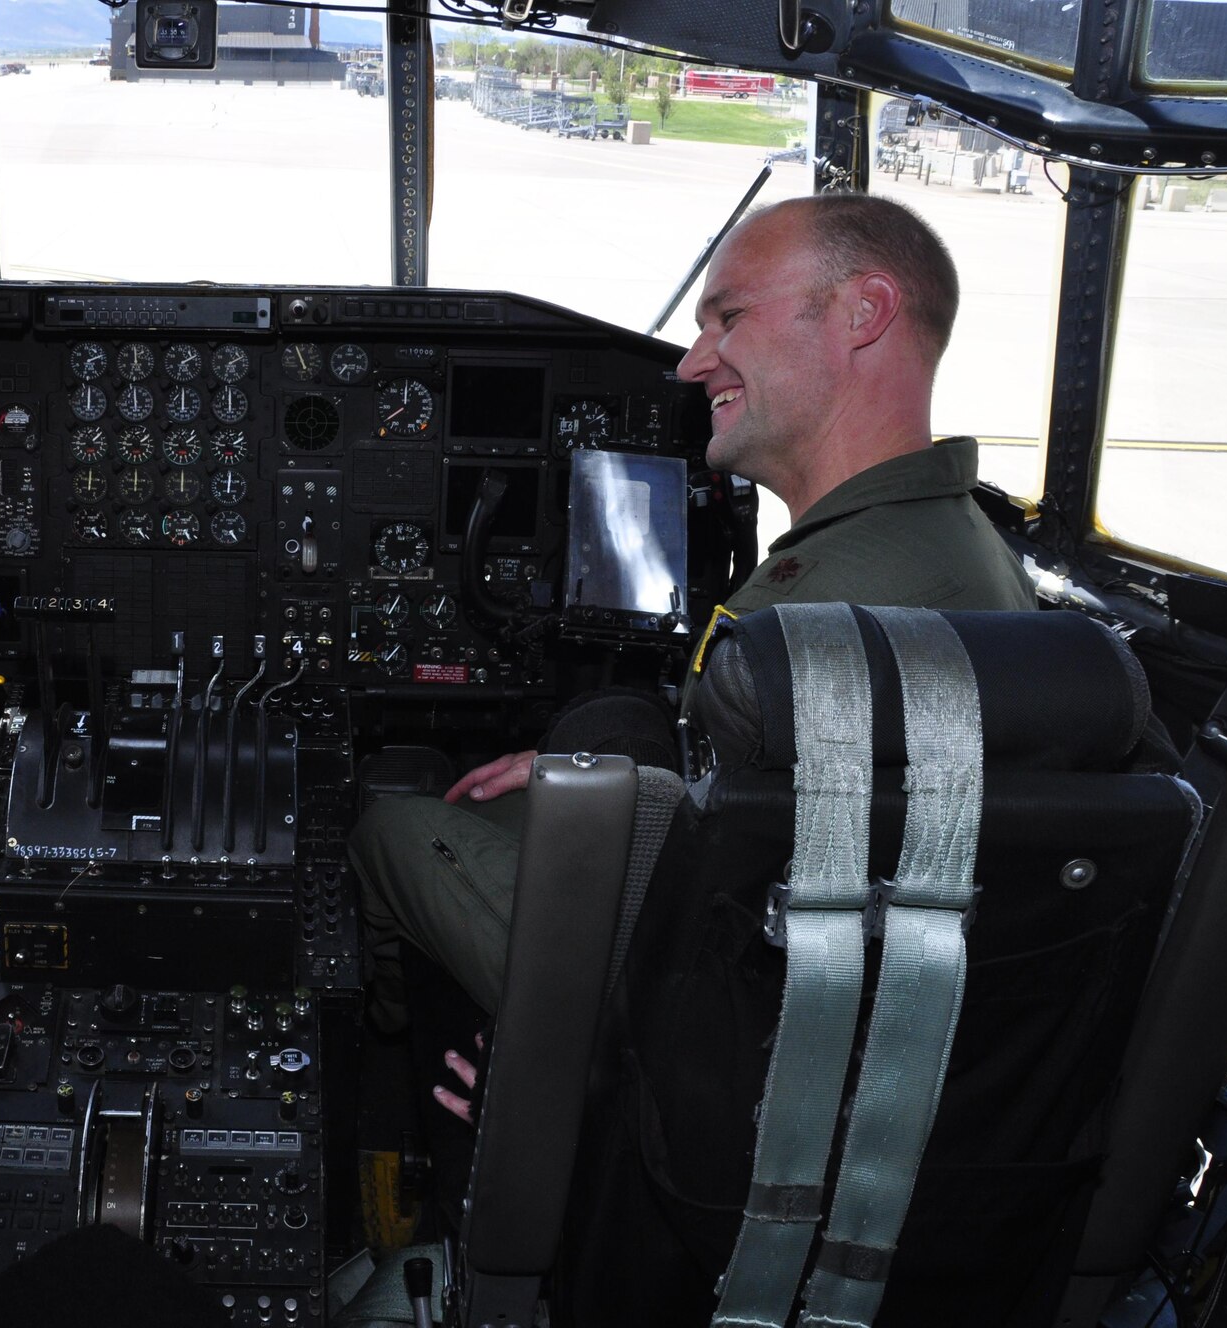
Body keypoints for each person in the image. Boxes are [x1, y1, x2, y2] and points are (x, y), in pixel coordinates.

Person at [351, 194, 1038, 1070]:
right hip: (808, 956)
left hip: (708, 1014)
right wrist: (616, 782)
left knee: (395, 827)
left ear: (865, 313)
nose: (689, 363)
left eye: (730, 318)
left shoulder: (825, 625)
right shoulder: (952, 546)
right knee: (593, 740)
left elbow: (725, 924)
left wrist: (587, 1075)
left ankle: (388, 1063)